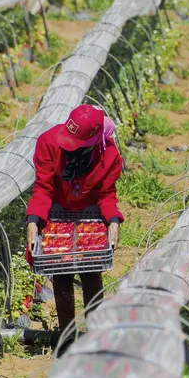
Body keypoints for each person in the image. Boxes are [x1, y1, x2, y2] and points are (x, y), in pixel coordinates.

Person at [26, 104, 123, 333]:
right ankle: (66, 333)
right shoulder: (49, 143)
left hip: (89, 214)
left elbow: (106, 194)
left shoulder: (108, 155)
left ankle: (95, 333)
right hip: (57, 212)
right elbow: (43, 188)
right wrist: (33, 219)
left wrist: (112, 220)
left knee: (91, 270)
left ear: (92, 142)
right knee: (61, 270)